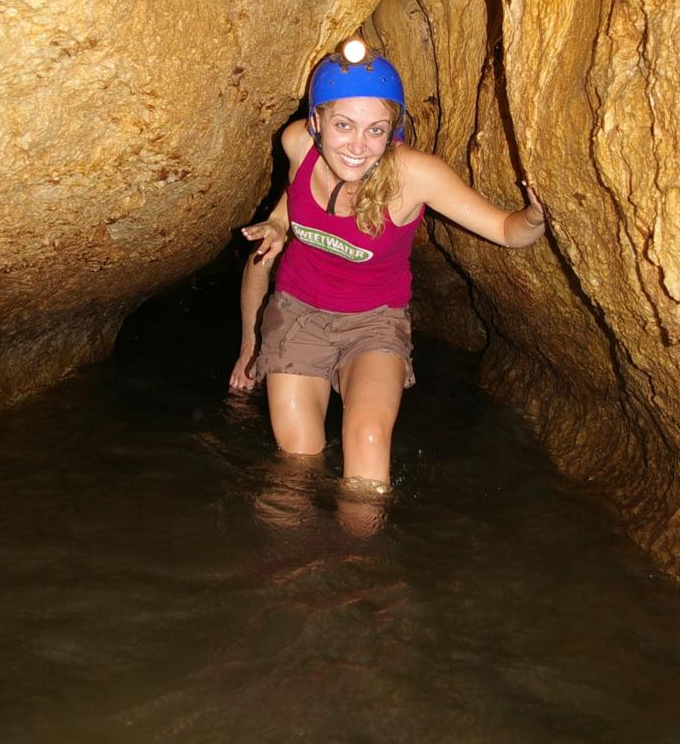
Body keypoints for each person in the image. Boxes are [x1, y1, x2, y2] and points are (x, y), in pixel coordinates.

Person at [229, 41, 546, 490]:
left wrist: (535, 216)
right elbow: (292, 200)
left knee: (369, 438)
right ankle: (295, 556)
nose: (358, 146)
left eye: (375, 130)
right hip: (299, 312)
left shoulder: (414, 176)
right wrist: (279, 225)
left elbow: (510, 232)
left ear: (392, 131)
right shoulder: (297, 143)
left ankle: (359, 555)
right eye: (343, 125)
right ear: (316, 122)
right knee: (296, 463)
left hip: (374, 321)